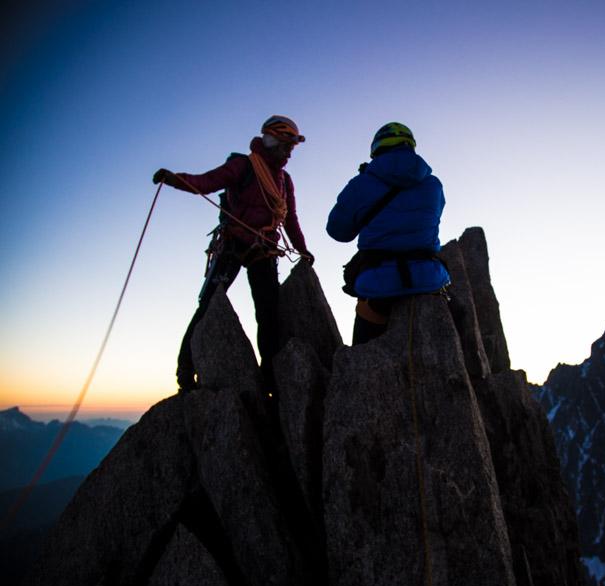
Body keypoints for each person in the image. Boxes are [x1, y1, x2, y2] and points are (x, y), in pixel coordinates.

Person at [152, 115, 313, 393]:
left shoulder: (284, 180)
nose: (289, 153)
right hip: (235, 245)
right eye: (286, 145)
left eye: (291, 148)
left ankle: (270, 376)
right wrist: (174, 180)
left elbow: (290, 219)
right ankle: (186, 370)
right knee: (210, 305)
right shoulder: (244, 166)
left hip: (263, 249)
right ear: (272, 140)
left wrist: (302, 250)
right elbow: (206, 183)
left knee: (268, 314)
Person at [327, 122, 450, 344]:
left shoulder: (360, 184)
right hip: (428, 278)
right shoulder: (433, 185)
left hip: (377, 283)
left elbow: (337, 231)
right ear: (410, 146)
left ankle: (362, 366)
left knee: (365, 355)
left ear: (376, 150)